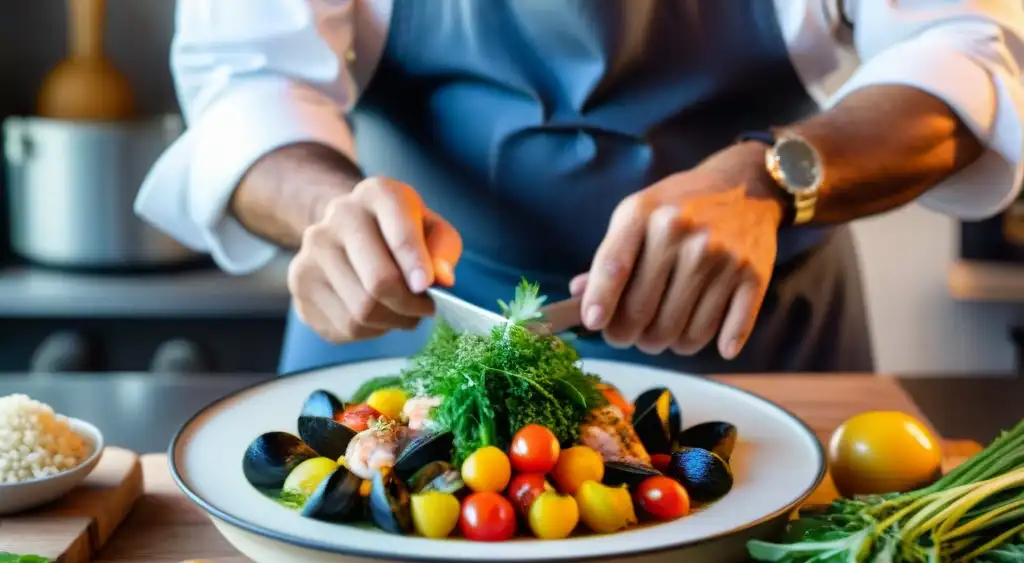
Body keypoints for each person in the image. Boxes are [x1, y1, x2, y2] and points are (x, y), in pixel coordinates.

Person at [136, 0, 1024, 375]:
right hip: (410, 349)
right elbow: (246, 83)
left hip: (759, 352)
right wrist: (329, 213)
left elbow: (967, 53)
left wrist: (765, 178)